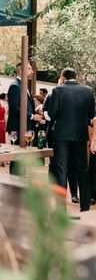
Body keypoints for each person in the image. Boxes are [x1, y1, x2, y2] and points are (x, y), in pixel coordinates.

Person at [47, 68, 95, 212]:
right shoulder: (88, 91)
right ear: (77, 76)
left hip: (61, 136)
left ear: (63, 77)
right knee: (82, 170)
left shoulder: (58, 91)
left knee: (62, 170)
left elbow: (52, 114)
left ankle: (61, 209)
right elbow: (91, 115)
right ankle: (85, 206)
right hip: (80, 136)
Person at [6, 62, 43, 173]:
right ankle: (15, 185)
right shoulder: (15, 86)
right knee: (17, 159)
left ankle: (20, 184)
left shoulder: (23, 85)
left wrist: (36, 113)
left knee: (22, 159)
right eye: (30, 69)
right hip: (18, 129)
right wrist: (32, 116)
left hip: (25, 128)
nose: (32, 72)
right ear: (21, 71)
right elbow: (15, 108)